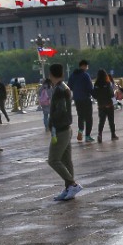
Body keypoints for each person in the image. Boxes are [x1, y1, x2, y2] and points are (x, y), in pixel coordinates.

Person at [47, 63, 82, 201]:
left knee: (53, 160)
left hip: (61, 128)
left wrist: (52, 121)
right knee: (66, 160)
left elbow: (61, 109)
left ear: (51, 74)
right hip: (66, 127)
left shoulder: (59, 90)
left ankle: (73, 184)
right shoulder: (64, 87)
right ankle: (69, 188)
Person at [68, 59, 95, 142]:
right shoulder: (85, 75)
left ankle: (80, 131)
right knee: (89, 118)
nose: (87, 68)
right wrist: (95, 95)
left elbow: (69, 86)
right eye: (87, 66)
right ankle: (87, 136)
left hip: (77, 99)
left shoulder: (73, 75)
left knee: (81, 116)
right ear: (84, 66)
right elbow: (90, 88)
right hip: (86, 99)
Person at [93, 68, 119, 142]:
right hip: (109, 104)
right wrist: (115, 102)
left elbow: (95, 95)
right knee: (111, 121)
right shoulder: (107, 83)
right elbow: (111, 94)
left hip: (101, 105)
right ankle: (113, 135)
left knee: (101, 121)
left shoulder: (96, 84)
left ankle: (100, 134)